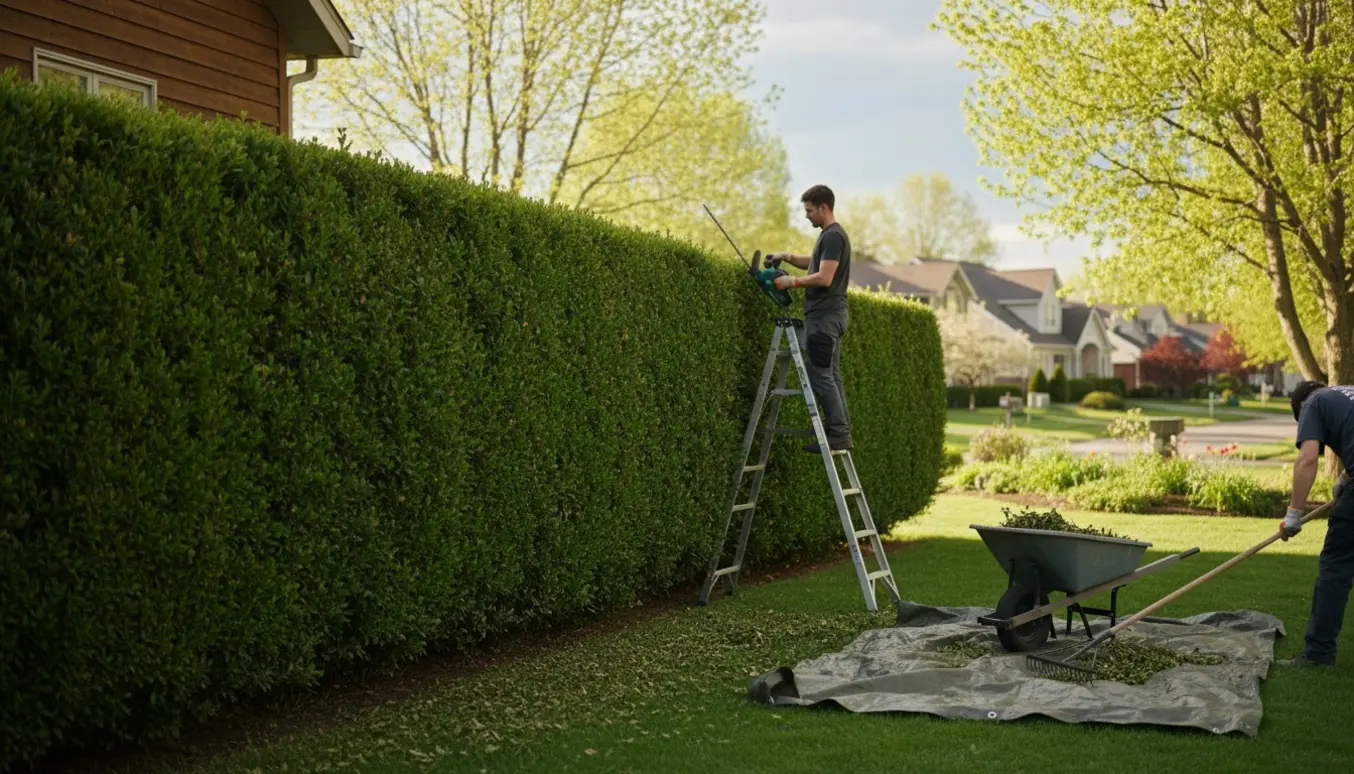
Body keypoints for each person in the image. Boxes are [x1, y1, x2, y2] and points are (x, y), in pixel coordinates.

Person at [767, 184, 853, 454]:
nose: (806, 216)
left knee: (821, 376)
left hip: (824, 318)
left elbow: (824, 277)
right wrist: (787, 257)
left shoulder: (833, 237)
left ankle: (838, 434)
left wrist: (791, 282)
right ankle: (840, 432)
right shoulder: (830, 236)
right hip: (832, 315)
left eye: (809, 211)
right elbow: (816, 262)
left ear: (823, 208)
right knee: (832, 377)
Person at [1278, 380, 1354, 668]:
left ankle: (1318, 655)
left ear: (1300, 407)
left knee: (1336, 566)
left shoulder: (1312, 403)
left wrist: (1294, 514)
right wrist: (1345, 479)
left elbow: (1307, 459)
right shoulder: (1346, 394)